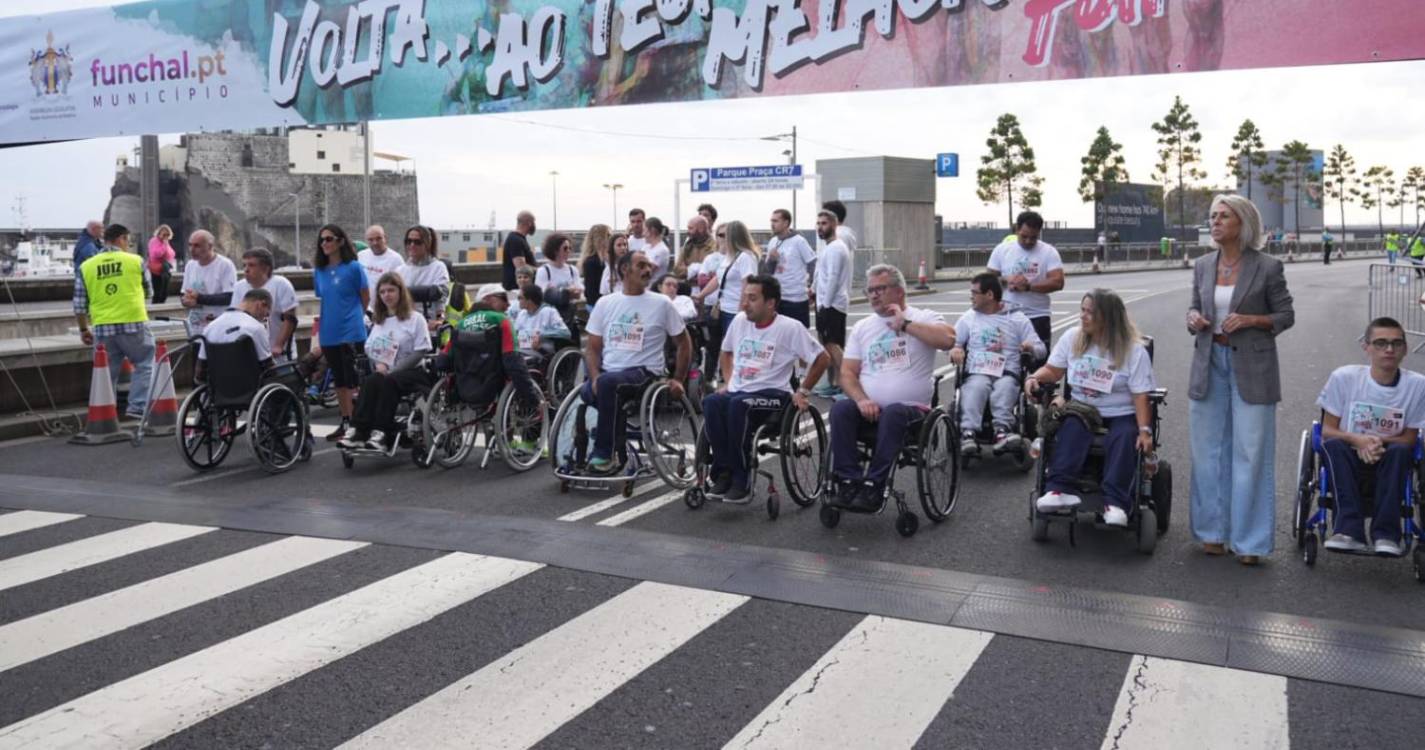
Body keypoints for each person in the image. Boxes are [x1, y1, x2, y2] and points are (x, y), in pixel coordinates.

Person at [1186, 194, 1295, 565]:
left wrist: (1251, 320)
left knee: (1251, 453)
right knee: (1208, 451)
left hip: (1253, 364)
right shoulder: (1202, 265)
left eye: (1223, 216)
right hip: (1208, 360)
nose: (1215, 222)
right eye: (1212, 216)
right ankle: (1212, 532)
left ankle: (1249, 542)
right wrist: (1194, 319)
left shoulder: (1267, 267)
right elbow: (1196, 306)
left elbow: (1284, 315)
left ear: (1243, 223)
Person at [829, 264, 956, 508]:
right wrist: (861, 399)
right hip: (869, 410)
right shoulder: (863, 327)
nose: (874, 294)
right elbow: (846, 373)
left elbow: (948, 340)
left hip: (910, 413)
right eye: (870, 290)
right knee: (841, 409)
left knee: (895, 412)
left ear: (899, 291)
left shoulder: (923, 317)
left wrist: (905, 324)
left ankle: (874, 486)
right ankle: (847, 481)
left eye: (880, 288)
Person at [1025, 290, 1156, 528]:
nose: (1083, 316)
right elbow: (1053, 370)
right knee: (1072, 425)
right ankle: (1058, 490)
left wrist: (1145, 431)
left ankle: (1115, 502)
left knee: (1126, 436)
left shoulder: (1133, 350)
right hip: (1083, 408)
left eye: (1090, 312)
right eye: (1082, 310)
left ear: (1108, 317)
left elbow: (1140, 394)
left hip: (1120, 412)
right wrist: (1034, 377)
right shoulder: (1073, 338)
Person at [703, 275, 830, 502]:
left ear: (770, 303)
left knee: (737, 405)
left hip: (773, 395)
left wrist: (803, 391)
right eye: (744, 298)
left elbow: (822, 358)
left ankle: (741, 479)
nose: (744, 304)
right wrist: (729, 381)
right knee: (711, 402)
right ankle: (723, 473)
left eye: (752, 299)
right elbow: (726, 352)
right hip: (739, 392)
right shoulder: (740, 321)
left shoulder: (790, 328)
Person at [1316, 317, 1425, 557]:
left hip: (1390, 453)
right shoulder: (1344, 378)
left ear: (1405, 349)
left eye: (1396, 343)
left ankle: (1386, 534)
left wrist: (1377, 442)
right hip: (1347, 451)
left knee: (1402, 451)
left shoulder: (1417, 386)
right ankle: (1348, 531)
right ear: (1366, 347)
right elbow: (1327, 430)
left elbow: (1409, 438)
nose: (1389, 349)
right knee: (1333, 444)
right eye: (1380, 343)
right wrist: (1358, 440)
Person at [582, 250, 692, 474]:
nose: (648, 270)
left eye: (649, 266)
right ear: (624, 269)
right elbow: (592, 348)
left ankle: (605, 453)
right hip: (608, 374)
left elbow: (684, 343)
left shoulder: (662, 303)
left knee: (609, 384)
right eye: (641, 265)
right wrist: (594, 378)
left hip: (645, 373)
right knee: (589, 390)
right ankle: (602, 443)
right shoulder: (605, 303)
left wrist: (678, 379)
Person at [952, 273, 1045, 455]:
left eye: (974, 292)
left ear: (989, 295)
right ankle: (968, 433)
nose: (971, 296)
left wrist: (1030, 346)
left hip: (1007, 372)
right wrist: (956, 349)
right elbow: (953, 341)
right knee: (976, 386)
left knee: (1005, 388)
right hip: (978, 371)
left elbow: (1041, 349)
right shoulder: (968, 317)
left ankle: (1001, 432)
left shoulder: (1017, 318)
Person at [339, 273, 433, 451]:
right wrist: (379, 363)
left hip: (413, 371)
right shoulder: (380, 321)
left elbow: (421, 350)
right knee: (372, 380)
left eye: (391, 290)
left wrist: (394, 370)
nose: (386, 295)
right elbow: (370, 348)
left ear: (400, 292)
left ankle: (380, 433)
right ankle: (358, 429)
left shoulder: (415, 319)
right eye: (382, 292)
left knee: (389, 380)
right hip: (386, 371)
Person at [73, 223, 154, 421]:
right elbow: (149, 292)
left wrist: (84, 329)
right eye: (128, 240)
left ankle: (106, 410)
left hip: (103, 327)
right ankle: (137, 406)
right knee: (144, 363)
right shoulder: (135, 261)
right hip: (133, 322)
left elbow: (79, 303)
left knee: (106, 371)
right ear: (121, 239)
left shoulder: (87, 266)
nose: (129, 245)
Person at [312, 224, 370, 442]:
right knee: (339, 381)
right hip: (329, 332)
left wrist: (355, 318)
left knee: (355, 379)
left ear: (340, 242)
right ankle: (346, 421)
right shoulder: (319, 270)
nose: (325, 243)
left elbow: (365, 296)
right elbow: (324, 297)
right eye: (322, 240)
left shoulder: (354, 267)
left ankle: (360, 422)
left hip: (351, 331)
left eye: (329, 239)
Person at [986, 211, 1064, 347]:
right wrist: (1006, 280)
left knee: (1038, 361)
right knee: (1008, 360)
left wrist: (1029, 287)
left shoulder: (1049, 252)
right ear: (1017, 229)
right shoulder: (1002, 250)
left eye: (1033, 238)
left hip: (1037, 315)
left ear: (1039, 232)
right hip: (1006, 315)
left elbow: (1058, 282)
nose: (1028, 241)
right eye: (1024, 236)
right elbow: (988, 281)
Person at [693, 220, 761, 354]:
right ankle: (724, 373)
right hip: (723, 308)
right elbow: (718, 279)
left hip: (736, 310)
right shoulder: (729, 256)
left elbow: (747, 285)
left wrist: (742, 309)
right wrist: (701, 296)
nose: (722, 239)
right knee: (723, 346)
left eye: (725, 236)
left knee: (737, 347)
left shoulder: (745, 257)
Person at [230, 248, 299, 359]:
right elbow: (235, 317)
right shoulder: (239, 287)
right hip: (251, 352)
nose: (246, 270)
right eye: (244, 266)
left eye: (251, 265)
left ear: (265, 268)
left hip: (278, 353)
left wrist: (278, 345)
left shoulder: (281, 284)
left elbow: (290, 318)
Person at [813, 209, 851, 396]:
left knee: (832, 346)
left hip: (833, 305)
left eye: (824, 223)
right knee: (827, 345)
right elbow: (821, 274)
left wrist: (826, 306)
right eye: (818, 223)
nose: (820, 227)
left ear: (834, 225)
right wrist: (813, 291)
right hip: (824, 304)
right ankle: (834, 383)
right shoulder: (828, 247)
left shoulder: (837, 248)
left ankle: (850, 384)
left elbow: (834, 278)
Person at [196, 288, 276, 375]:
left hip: (219, 387)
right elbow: (269, 369)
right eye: (267, 314)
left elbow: (200, 371)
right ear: (261, 304)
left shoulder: (210, 328)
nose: (264, 318)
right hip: (251, 386)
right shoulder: (256, 328)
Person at [762, 208, 816, 326]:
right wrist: (771, 260)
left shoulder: (799, 241)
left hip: (796, 298)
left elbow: (812, 263)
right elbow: (767, 272)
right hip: (777, 297)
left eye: (776, 221)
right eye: (771, 221)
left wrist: (812, 287)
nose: (772, 224)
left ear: (786, 223)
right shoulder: (772, 241)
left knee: (798, 333)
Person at [180, 230, 237, 334]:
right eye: (190, 245)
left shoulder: (225, 265)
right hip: (196, 328)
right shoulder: (190, 265)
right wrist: (186, 301)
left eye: (197, 246)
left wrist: (199, 298)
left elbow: (229, 297)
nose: (192, 250)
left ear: (210, 246)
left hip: (219, 328)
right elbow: (184, 293)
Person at [397, 225, 450, 330]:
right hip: (405, 325)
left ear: (427, 244)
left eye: (417, 242)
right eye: (409, 241)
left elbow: (442, 298)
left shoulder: (438, 267)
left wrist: (439, 320)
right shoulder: (400, 270)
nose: (412, 245)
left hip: (429, 326)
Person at [513, 284, 572, 355]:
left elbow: (566, 333)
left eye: (520, 298)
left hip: (541, 351)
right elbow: (515, 333)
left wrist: (541, 334)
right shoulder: (522, 314)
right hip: (523, 348)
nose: (518, 300)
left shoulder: (549, 312)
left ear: (529, 300)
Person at [359, 225, 405, 305]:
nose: (375, 243)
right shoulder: (360, 256)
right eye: (371, 240)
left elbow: (401, 286)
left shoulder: (396, 259)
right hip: (364, 307)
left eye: (378, 238)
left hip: (385, 308)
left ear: (385, 238)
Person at [536, 232, 583, 300]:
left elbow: (579, 292)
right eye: (565, 248)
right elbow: (542, 294)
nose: (568, 251)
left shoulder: (573, 270)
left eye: (570, 248)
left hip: (570, 308)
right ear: (555, 250)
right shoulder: (543, 271)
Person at [501, 211, 536, 290]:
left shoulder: (519, 239)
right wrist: (541, 271)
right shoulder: (515, 240)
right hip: (515, 289)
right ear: (529, 223)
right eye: (534, 222)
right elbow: (521, 267)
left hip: (519, 288)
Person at [580, 224, 610, 309]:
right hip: (597, 305)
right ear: (600, 239)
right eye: (608, 235)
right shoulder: (591, 262)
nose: (610, 238)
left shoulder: (606, 259)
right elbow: (591, 291)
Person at [147, 224, 176, 304]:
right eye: (164, 234)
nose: (165, 237)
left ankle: (161, 304)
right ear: (159, 233)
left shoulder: (165, 242)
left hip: (164, 269)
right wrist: (164, 246)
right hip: (156, 269)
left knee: (164, 291)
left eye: (167, 235)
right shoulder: (154, 241)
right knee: (158, 291)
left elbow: (171, 254)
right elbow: (156, 254)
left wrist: (165, 245)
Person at [601, 232, 631, 298]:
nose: (623, 248)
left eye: (625, 244)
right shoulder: (609, 270)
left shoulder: (632, 267)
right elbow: (604, 293)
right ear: (612, 248)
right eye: (619, 245)